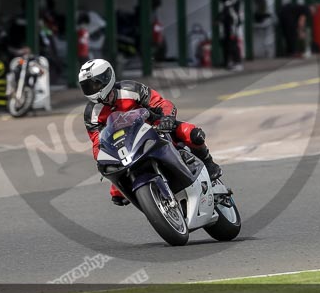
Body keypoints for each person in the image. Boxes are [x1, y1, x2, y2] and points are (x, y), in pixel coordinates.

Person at [79, 58, 222, 205]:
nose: (92, 89)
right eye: (87, 86)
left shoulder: (130, 89)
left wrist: (167, 118)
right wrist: (101, 158)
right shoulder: (91, 113)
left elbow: (160, 103)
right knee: (117, 192)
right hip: (125, 147)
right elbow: (97, 142)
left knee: (192, 134)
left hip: (155, 128)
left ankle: (208, 163)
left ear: (107, 77)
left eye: (95, 83)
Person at [218, 0, 242, 70]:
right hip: (226, 21)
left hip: (233, 20)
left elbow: (229, 3)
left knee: (233, 41)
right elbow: (223, 5)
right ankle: (228, 62)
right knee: (226, 41)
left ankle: (238, 63)